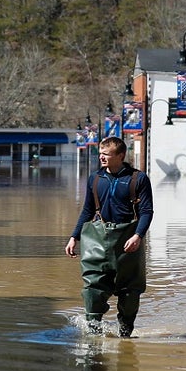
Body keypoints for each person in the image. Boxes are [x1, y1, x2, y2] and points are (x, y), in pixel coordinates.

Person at [64, 136, 154, 337]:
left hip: (128, 239)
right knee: (93, 287)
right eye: (101, 153)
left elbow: (147, 211)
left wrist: (138, 235)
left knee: (130, 293)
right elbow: (87, 210)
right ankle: (93, 332)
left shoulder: (138, 179)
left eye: (106, 154)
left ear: (121, 156)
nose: (101, 157)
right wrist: (74, 237)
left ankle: (125, 334)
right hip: (97, 238)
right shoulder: (95, 179)